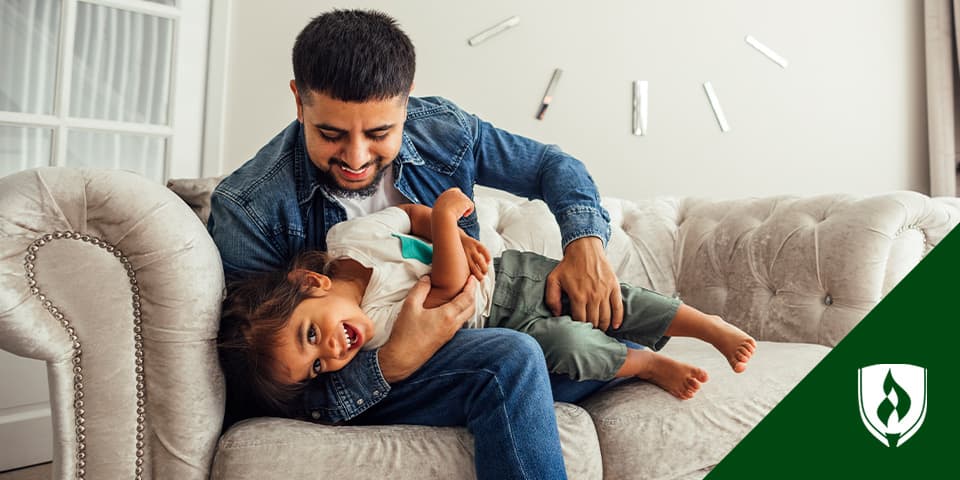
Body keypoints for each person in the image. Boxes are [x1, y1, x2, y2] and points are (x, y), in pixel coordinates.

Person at [206, 8, 740, 479]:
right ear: (299, 100)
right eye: (331, 135)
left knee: (555, 331)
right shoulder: (250, 206)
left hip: (486, 316)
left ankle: (602, 361)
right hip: (381, 368)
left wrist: (585, 245)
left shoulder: (442, 128)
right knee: (512, 356)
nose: (356, 157)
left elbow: (555, 166)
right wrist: (390, 361)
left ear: (405, 105)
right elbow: (264, 381)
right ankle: (576, 369)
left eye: (378, 133)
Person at [218, 188, 755, 416]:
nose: (332, 354)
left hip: (511, 274)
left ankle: (705, 324)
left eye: (312, 336)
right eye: (316, 368)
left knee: (620, 299)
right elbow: (451, 288)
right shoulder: (377, 335)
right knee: (570, 344)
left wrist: (439, 223)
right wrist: (450, 225)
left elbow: (407, 216)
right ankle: (646, 361)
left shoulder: (347, 240)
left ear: (311, 283)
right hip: (495, 321)